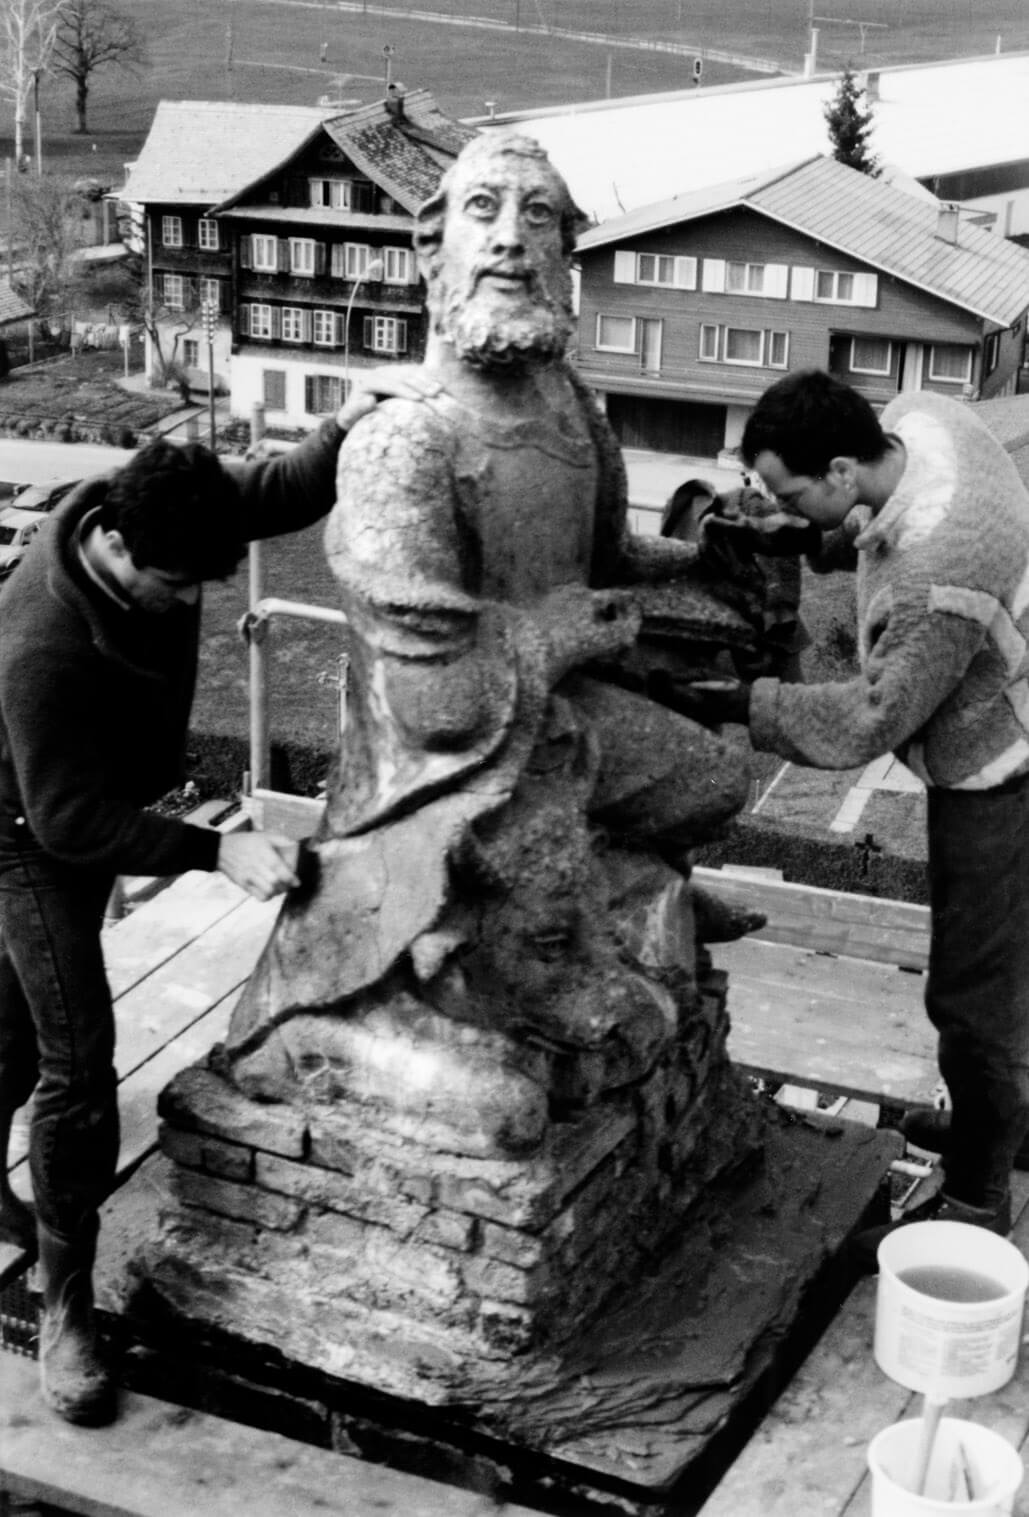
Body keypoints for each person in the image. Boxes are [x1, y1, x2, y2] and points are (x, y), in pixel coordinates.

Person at [0, 380, 404, 1427]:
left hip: (79, 803)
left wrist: (348, 420)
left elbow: (272, 489)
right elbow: (67, 824)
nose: (193, 604)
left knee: (8, 1037)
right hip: (23, 834)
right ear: (124, 555)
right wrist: (214, 849)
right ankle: (66, 1306)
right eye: (181, 589)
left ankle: (28, 1213)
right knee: (78, 1064)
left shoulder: (164, 498)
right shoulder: (44, 643)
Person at [679, 367, 1029, 1257]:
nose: (782, 503)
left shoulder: (938, 577)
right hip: (1004, 703)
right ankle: (997, 1126)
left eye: (791, 490)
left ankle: (981, 1193)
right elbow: (876, 529)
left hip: (1007, 768)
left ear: (840, 467)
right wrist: (803, 534)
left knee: (974, 994)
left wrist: (742, 700)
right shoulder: (922, 420)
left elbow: (872, 717)